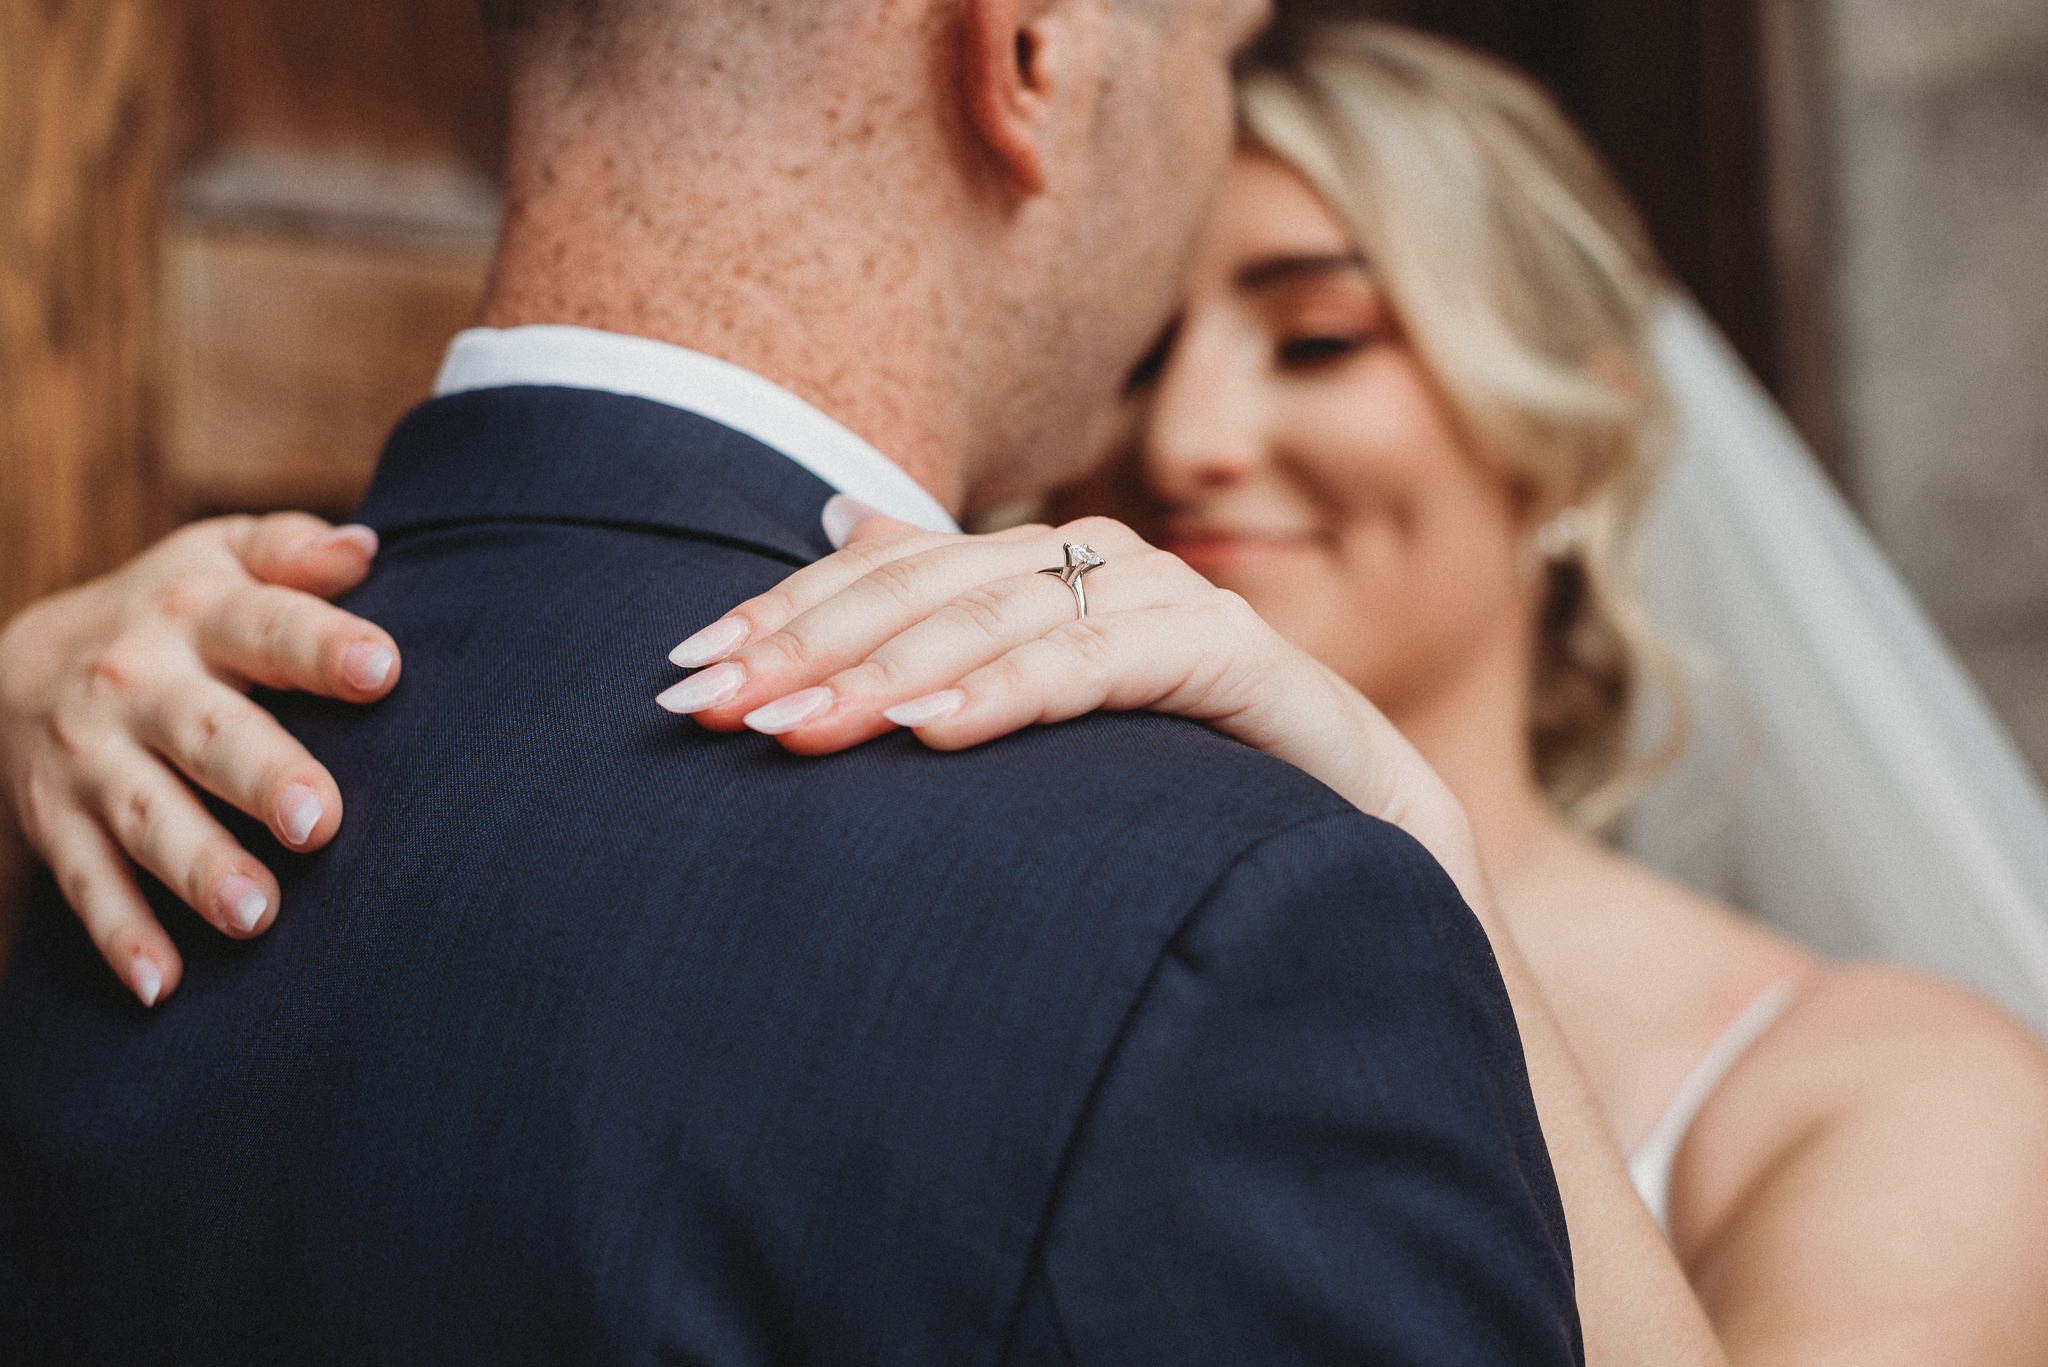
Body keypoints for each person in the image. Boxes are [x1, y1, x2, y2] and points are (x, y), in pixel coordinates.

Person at [0, 3, 1713, 1362]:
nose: (1190, 435)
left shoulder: (120, 800)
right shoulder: (1237, 915)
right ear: (1029, 51)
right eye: (1218, 47)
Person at [631, 21, 2048, 1359]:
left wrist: (1398, 826)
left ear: (1574, 442)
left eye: (1318, 339)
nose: (1187, 443)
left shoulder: (1900, 1095)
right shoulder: (989, 931)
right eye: (1135, 361)